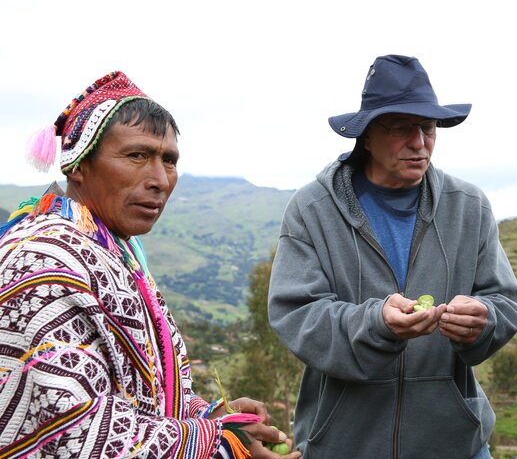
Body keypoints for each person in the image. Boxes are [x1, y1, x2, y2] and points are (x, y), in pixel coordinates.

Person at [0, 72, 299, 458]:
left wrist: (213, 417)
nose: (159, 179)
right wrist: (220, 447)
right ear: (77, 165)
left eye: (169, 160)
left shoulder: (116, 250)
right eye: (137, 155)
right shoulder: (41, 262)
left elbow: (144, 392)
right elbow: (75, 433)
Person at [267, 54, 517, 459]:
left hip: (453, 445)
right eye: (402, 128)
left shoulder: (469, 206)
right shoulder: (313, 209)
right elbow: (297, 314)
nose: (420, 143)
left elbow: (505, 301)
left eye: (427, 128)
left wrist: (484, 319)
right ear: (366, 136)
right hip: (344, 445)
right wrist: (375, 323)